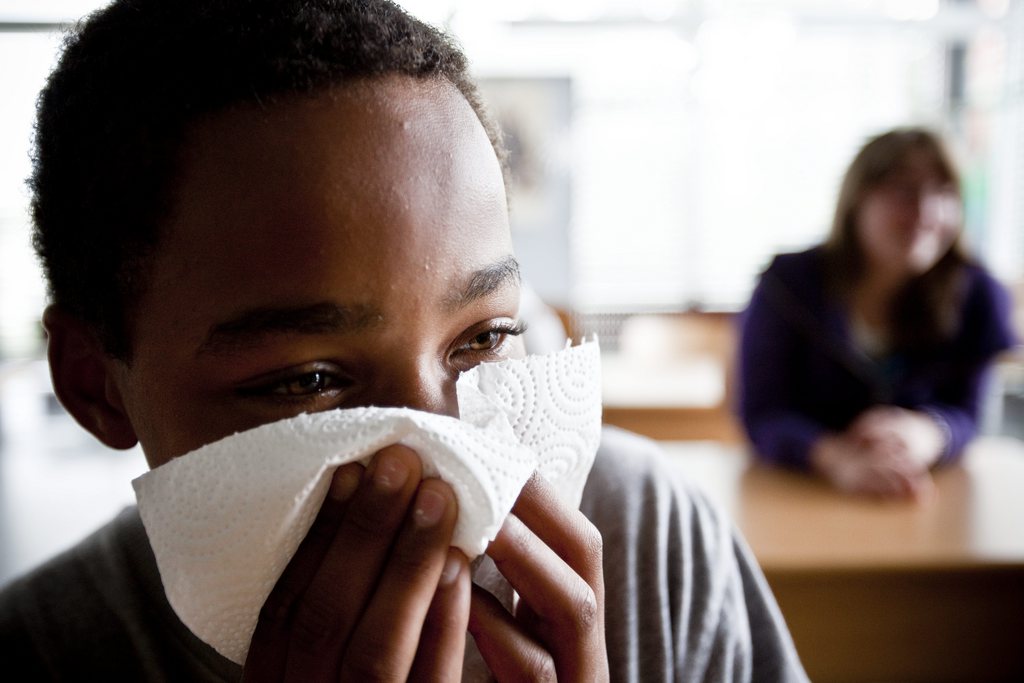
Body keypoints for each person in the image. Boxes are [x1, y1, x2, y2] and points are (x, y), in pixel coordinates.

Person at [0, 0, 807, 680]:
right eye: (309, 380)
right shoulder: (47, 644)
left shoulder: (651, 545)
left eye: (485, 337)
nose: (447, 465)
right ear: (98, 386)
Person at [738, 128, 1017, 499]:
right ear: (856, 200)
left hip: (926, 500)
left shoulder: (978, 294)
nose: (926, 213)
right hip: (805, 493)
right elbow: (763, 415)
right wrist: (836, 458)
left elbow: (970, 413)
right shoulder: (787, 286)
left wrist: (929, 432)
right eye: (904, 191)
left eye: (944, 192)